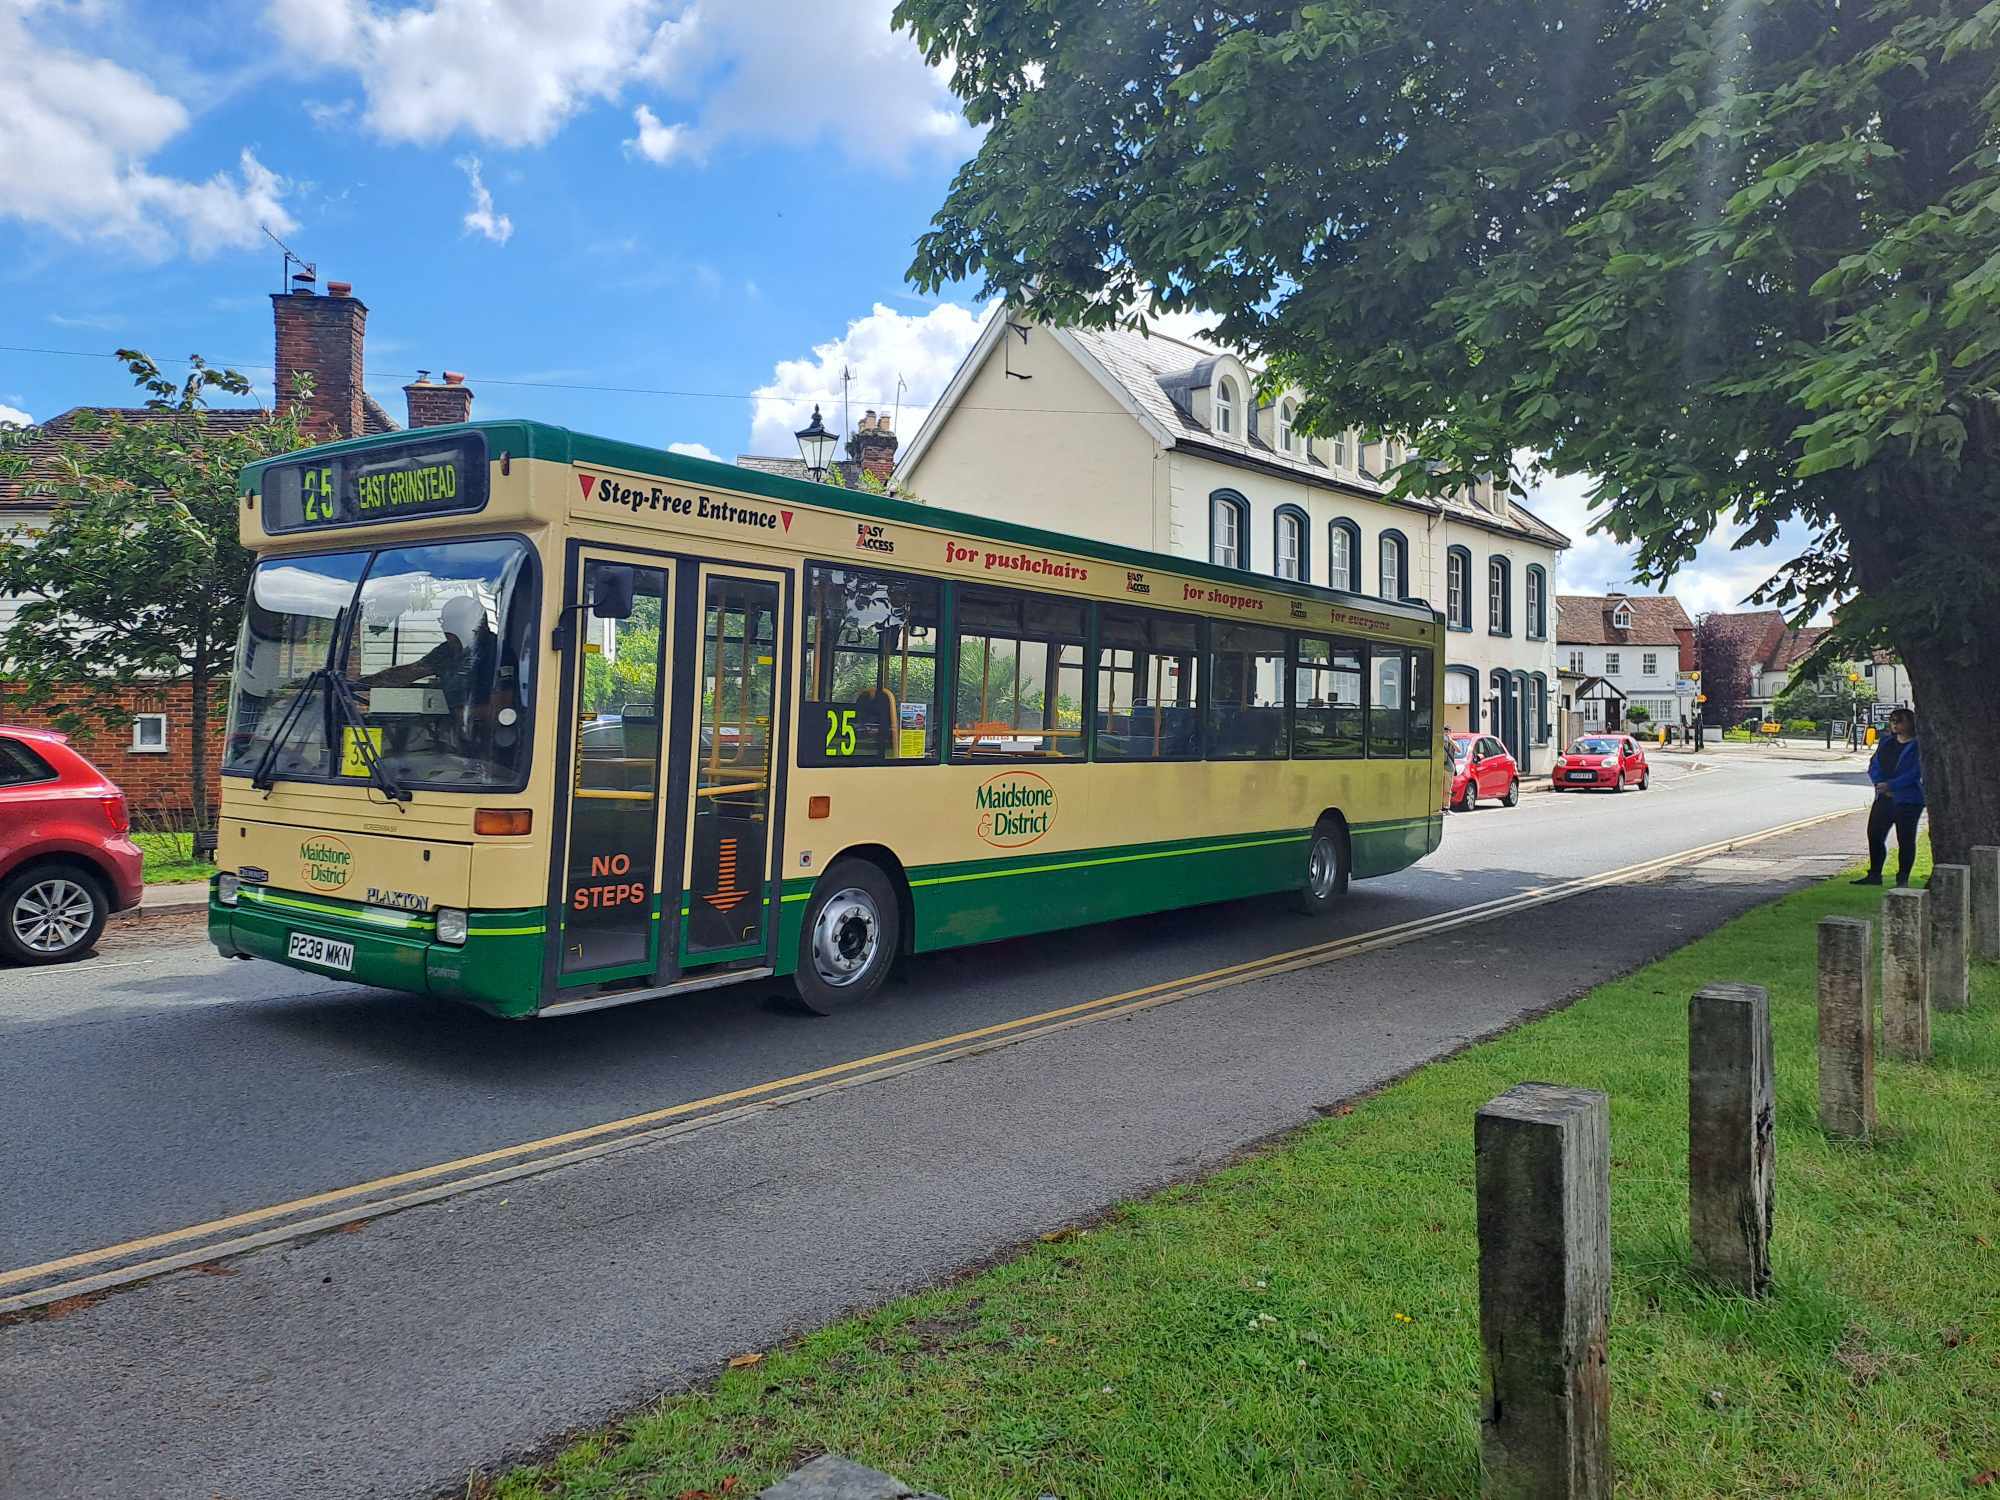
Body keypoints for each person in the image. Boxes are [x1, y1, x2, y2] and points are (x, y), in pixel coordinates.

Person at [1854, 708, 1923, 886]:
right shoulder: (1886, 742)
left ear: (1910, 723)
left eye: (1899, 720)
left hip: (1908, 800)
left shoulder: (1918, 745)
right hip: (1884, 797)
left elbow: (1916, 772)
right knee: (1875, 834)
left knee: (1905, 839)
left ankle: (1903, 878)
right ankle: (1874, 874)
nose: (1895, 724)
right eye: (1892, 720)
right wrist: (1879, 783)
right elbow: (1874, 764)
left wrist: (1892, 785)